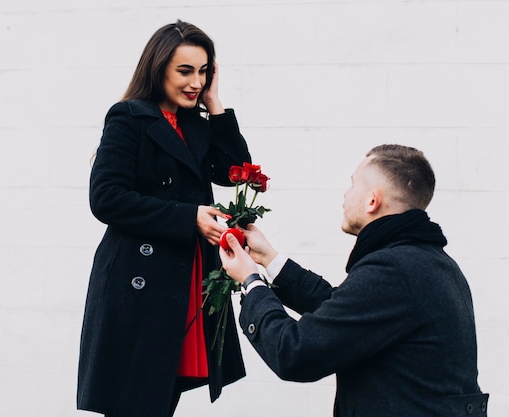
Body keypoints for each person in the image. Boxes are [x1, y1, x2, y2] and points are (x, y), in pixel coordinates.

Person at [220, 144, 489, 416]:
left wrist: (251, 282)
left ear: (372, 201)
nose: (345, 196)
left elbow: (294, 353)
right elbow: (346, 313)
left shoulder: (393, 269)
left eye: (352, 185)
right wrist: (271, 259)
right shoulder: (432, 263)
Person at [77, 20, 249, 417]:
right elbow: (105, 198)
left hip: (183, 278)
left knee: (159, 396)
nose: (195, 82)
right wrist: (188, 217)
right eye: (185, 71)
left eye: (203, 71)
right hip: (139, 279)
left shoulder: (195, 124)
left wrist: (217, 105)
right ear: (158, 70)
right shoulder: (129, 117)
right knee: (136, 399)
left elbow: (237, 170)